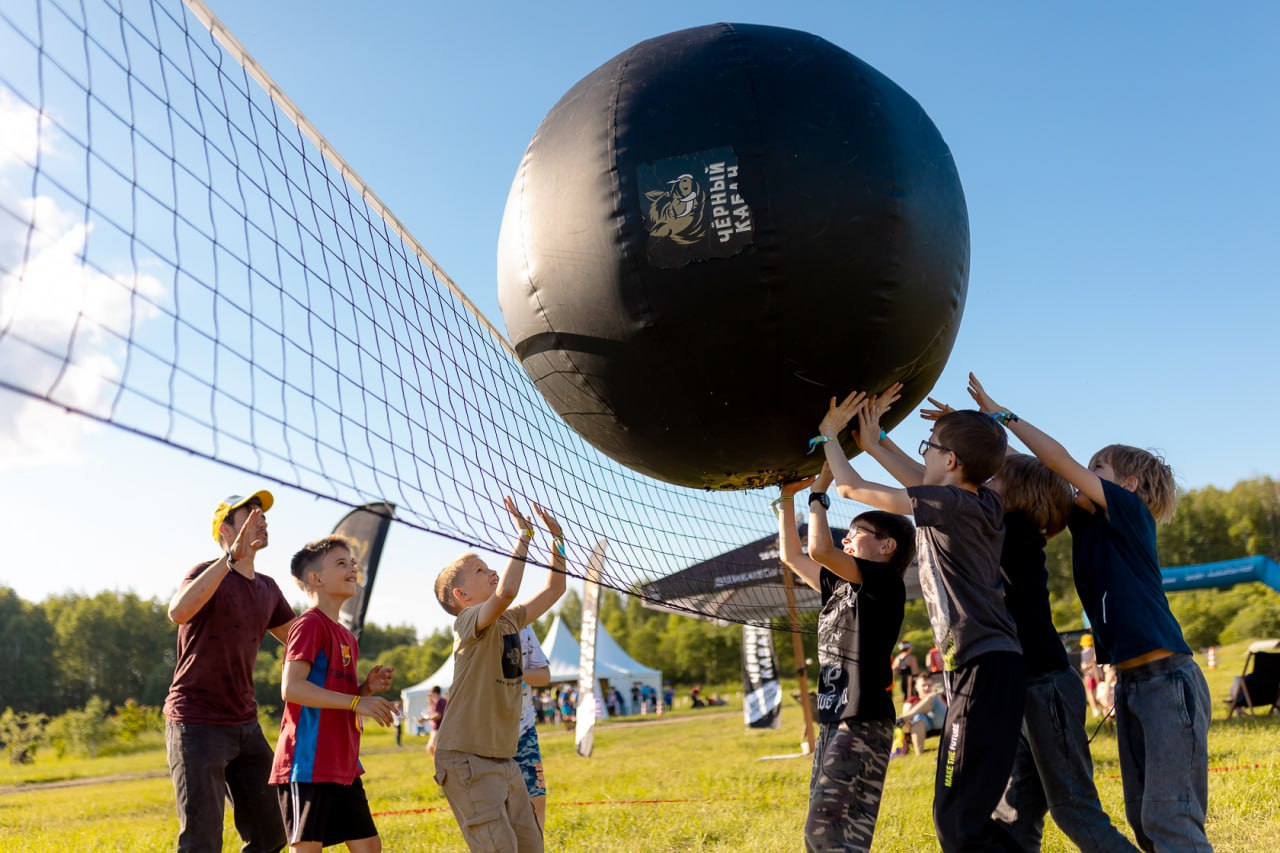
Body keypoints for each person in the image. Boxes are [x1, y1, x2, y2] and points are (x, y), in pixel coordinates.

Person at [967, 373, 1209, 852]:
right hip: (1134, 684)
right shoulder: (1084, 520)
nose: (1083, 469)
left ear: (1129, 484)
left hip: (1168, 681)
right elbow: (1037, 468)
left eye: (1097, 465)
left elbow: (1056, 460)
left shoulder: (1128, 512)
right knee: (1144, 819)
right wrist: (971, 435)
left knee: (1169, 815)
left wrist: (1002, 414)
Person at [817, 388, 1024, 852]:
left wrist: (829, 436)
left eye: (928, 444)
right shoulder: (980, 500)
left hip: (981, 669)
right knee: (961, 818)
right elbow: (922, 481)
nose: (923, 452)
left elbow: (850, 488)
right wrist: (874, 443)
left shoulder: (950, 505)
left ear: (950, 460)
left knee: (958, 824)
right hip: (992, 666)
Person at [981, 451, 1135, 851]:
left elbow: (934, 492)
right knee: (1014, 813)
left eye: (994, 479)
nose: (986, 484)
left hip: (1044, 686)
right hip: (1023, 687)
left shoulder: (1014, 527)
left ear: (1014, 492)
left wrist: (881, 446)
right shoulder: (1007, 524)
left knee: (1073, 809)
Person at [778, 458, 914, 853]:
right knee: (841, 833)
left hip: (862, 719)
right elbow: (793, 555)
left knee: (825, 830)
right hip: (834, 717)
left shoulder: (884, 581)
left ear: (887, 546)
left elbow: (819, 548)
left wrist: (819, 496)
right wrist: (788, 500)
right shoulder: (840, 586)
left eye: (857, 534)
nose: (847, 540)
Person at [164, 490, 296, 853]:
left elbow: (299, 641)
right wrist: (229, 559)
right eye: (251, 515)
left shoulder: (268, 587)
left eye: (263, 515)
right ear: (226, 529)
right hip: (196, 723)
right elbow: (178, 612)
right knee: (202, 841)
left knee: (273, 830)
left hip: (245, 724)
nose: (262, 519)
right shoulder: (204, 574)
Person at [432, 497, 567, 853]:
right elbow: (507, 591)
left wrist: (558, 541)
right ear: (462, 596)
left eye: (489, 566)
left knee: (531, 846)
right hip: (465, 758)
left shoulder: (510, 619)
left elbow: (556, 590)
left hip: (502, 757)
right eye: (480, 571)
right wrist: (524, 536)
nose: (491, 571)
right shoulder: (466, 623)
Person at [270, 534, 396, 852]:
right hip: (308, 762)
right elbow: (293, 688)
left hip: (343, 762)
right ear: (316, 579)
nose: (353, 568)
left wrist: (365, 689)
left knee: (369, 847)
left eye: (353, 562)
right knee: (307, 849)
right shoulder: (308, 625)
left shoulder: (346, 637)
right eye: (342, 563)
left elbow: (330, 693)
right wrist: (357, 700)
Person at [517, 624, 552, 832]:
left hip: (524, 730)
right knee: (500, 808)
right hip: (489, 736)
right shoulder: (474, 623)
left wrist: (516, 671)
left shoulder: (524, 626)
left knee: (536, 801)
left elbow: (544, 676)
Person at [898, 674, 948, 756]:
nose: (927, 688)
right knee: (918, 717)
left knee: (932, 696)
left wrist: (937, 698)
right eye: (924, 685)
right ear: (917, 687)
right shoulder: (912, 700)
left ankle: (903, 718)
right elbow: (906, 725)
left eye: (929, 685)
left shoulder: (938, 696)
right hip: (925, 724)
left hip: (943, 721)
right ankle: (919, 754)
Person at [1080, 634, 1103, 718]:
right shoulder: (1095, 650)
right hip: (1097, 673)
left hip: (1090, 675)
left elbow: (1085, 665)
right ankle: (1101, 707)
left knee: (1090, 692)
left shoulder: (1085, 652)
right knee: (1098, 691)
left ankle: (1095, 709)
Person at [892, 641, 920, 705]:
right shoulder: (911, 658)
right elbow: (915, 672)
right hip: (911, 681)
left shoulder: (898, 658)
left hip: (903, 681)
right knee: (914, 699)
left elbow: (894, 671)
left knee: (907, 700)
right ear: (909, 648)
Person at [425, 687, 446, 755]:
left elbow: (438, 715)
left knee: (433, 748)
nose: (430, 696)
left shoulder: (441, 701)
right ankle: (437, 764)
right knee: (431, 748)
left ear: (435, 693)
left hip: (439, 728)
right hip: (435, 728)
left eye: (431, 694)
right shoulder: (436, 702)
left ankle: (439, 764)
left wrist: (426, 719)